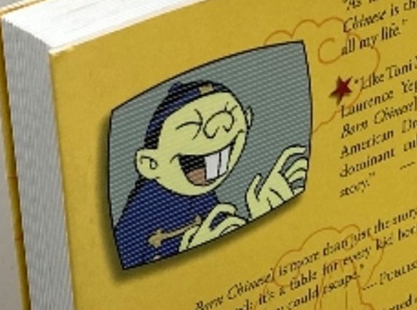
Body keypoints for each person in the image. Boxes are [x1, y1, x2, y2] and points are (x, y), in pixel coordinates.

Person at [113, 80, 307, 268]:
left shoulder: (202, 195)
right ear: (150, 163)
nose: (219, 128)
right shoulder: (141, 213)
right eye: (193, 123)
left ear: (247, 120)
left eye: (229, 115)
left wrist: (264, 215)